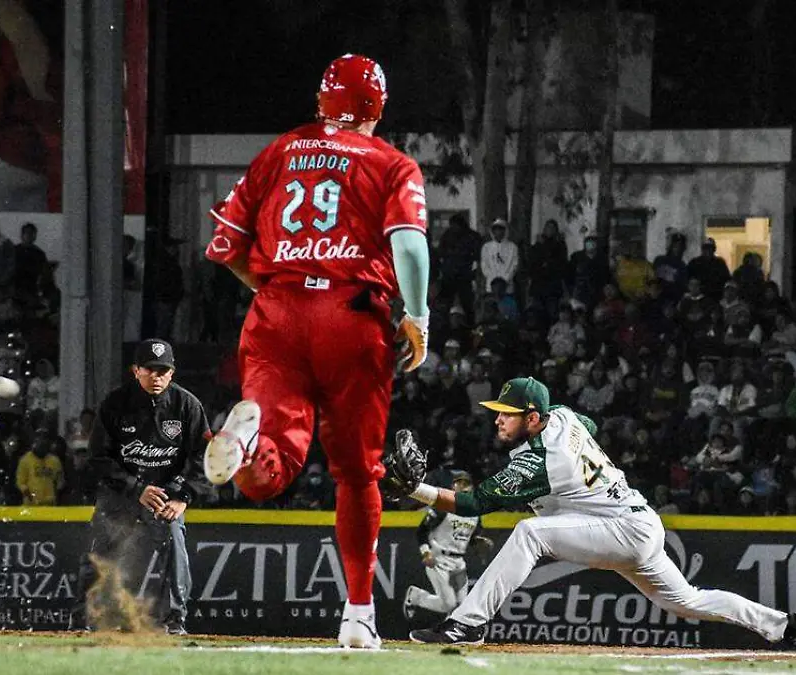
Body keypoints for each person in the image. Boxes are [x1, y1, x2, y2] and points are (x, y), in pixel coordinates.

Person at [201, 55, 430, 649]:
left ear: (322, 100)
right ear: (377, 106)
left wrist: (277, 290)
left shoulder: (282, 149)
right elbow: (408, 245)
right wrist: (418, 315)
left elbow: (226, 246)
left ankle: (249, 443)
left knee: (267, 476)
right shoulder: (393, 163)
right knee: (357, 474)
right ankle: (358, 616)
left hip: (275, 313)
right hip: (352, 318)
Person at [385, 376, 796, 647]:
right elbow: (587, 427)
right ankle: (784, 626)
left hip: (623, 528)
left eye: (508, 414)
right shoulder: (564, 416)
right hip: (638, 521)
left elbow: (471, 504)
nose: (498, 419)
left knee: (530, 533)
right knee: (688, 600)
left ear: (533, 418)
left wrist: (414, 488)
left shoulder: (537, 462)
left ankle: (467, 625)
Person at [75, 339, 210, 635]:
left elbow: (204, 458)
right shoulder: (114, 404)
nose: (156, 376)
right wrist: (135, 488)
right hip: (120, 494)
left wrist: (183, 497)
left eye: (163, 370)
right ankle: (90, 620)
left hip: (166, 496)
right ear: (135, 370)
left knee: (175, 545)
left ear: (172, 373)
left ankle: (174, 621)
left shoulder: (187, 406)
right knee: (98, 553)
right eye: (150, 369)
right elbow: (98, 458)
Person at [402, 471, 493, 620]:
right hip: (439, 559)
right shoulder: (443, 507)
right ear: (453, 487)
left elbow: (470, 538)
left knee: (463, 605)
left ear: (471, 488)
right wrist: (426, 552)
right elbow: (421, 531)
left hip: (459, 563)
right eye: (459, 483)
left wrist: (477, 541)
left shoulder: (475, 514)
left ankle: (451, 636)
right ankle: (416, 596)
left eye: (466, 484)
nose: (463, 487)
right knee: (449, 605)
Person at [15, 434, 64, 506]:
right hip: (31, 506)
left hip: (49, 505)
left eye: (44, 442)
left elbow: (60, 481)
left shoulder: (54, 461)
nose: (42, 444)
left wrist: (55, 496)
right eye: (39, 442)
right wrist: (31, 497)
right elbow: (20, 482)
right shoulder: (25, 460)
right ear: (34, 443)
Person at [480, 218, 520, 293]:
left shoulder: (512, 247)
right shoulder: (486, 247)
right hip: (491, 285)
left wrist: (505, 279)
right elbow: (484, 265)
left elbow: (514, 265)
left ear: (505, 231)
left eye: (500, 229)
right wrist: (493, 279)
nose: (498, 232)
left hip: (507, 285)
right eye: (495, 230)